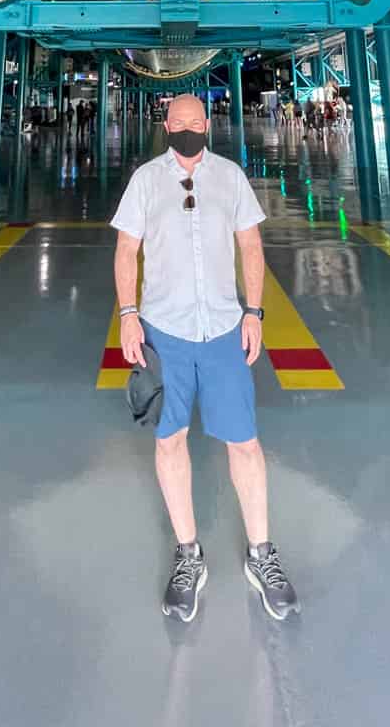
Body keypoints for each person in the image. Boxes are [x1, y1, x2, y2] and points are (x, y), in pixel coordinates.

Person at [112, 93, 299, 625]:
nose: (189, 129)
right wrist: (129, 314)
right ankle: (188, 554)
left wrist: (255, 312)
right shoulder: (146, 180)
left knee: (245, 442)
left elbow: (252, 247)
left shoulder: (230, 177)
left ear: (209, 125)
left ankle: (263, 554)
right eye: (180, 122)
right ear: (166, 124)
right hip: (164, 332)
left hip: (221, 329)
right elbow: (127, 250)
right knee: (169, 439)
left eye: (198, 121)